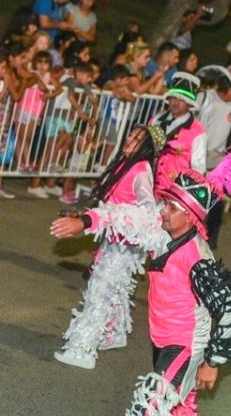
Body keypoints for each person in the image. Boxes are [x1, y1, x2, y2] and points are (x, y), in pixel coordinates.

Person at [50, 143, 231, 416]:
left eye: (171, 206)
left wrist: (212, 361)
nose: (162, 210)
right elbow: (126, 217)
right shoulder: (164, 229)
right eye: (164, 204)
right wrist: (85, 222)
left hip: (185, 344)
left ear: (190, 216)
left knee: (147, 409)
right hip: (163, 340)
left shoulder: (198, 259)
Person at [51, 126, 166, 369]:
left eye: (137, 139)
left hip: (125, 243)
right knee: (117, 287)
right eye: (131, 135)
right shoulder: (126, 165)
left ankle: (83, 351)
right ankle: (114, 334)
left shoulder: (141, 171)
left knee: (101, 289)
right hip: (116, 238)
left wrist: (109, 220)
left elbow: (147, 211)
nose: (129, 140)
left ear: (146, 149)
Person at [194, 66, 231, 247]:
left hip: (218, 159)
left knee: (215, 202)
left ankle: (209, 238)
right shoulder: (205, 97)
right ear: (229, 88)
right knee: (193, 197)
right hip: (196, 155)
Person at [151, 72, 206, 180]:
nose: (176, 103)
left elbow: (198, 166)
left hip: (175, 186)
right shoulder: (156, 120)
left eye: (181, 100)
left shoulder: (197, 130)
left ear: (189, 104)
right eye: (173, 98)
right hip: (149, 180)